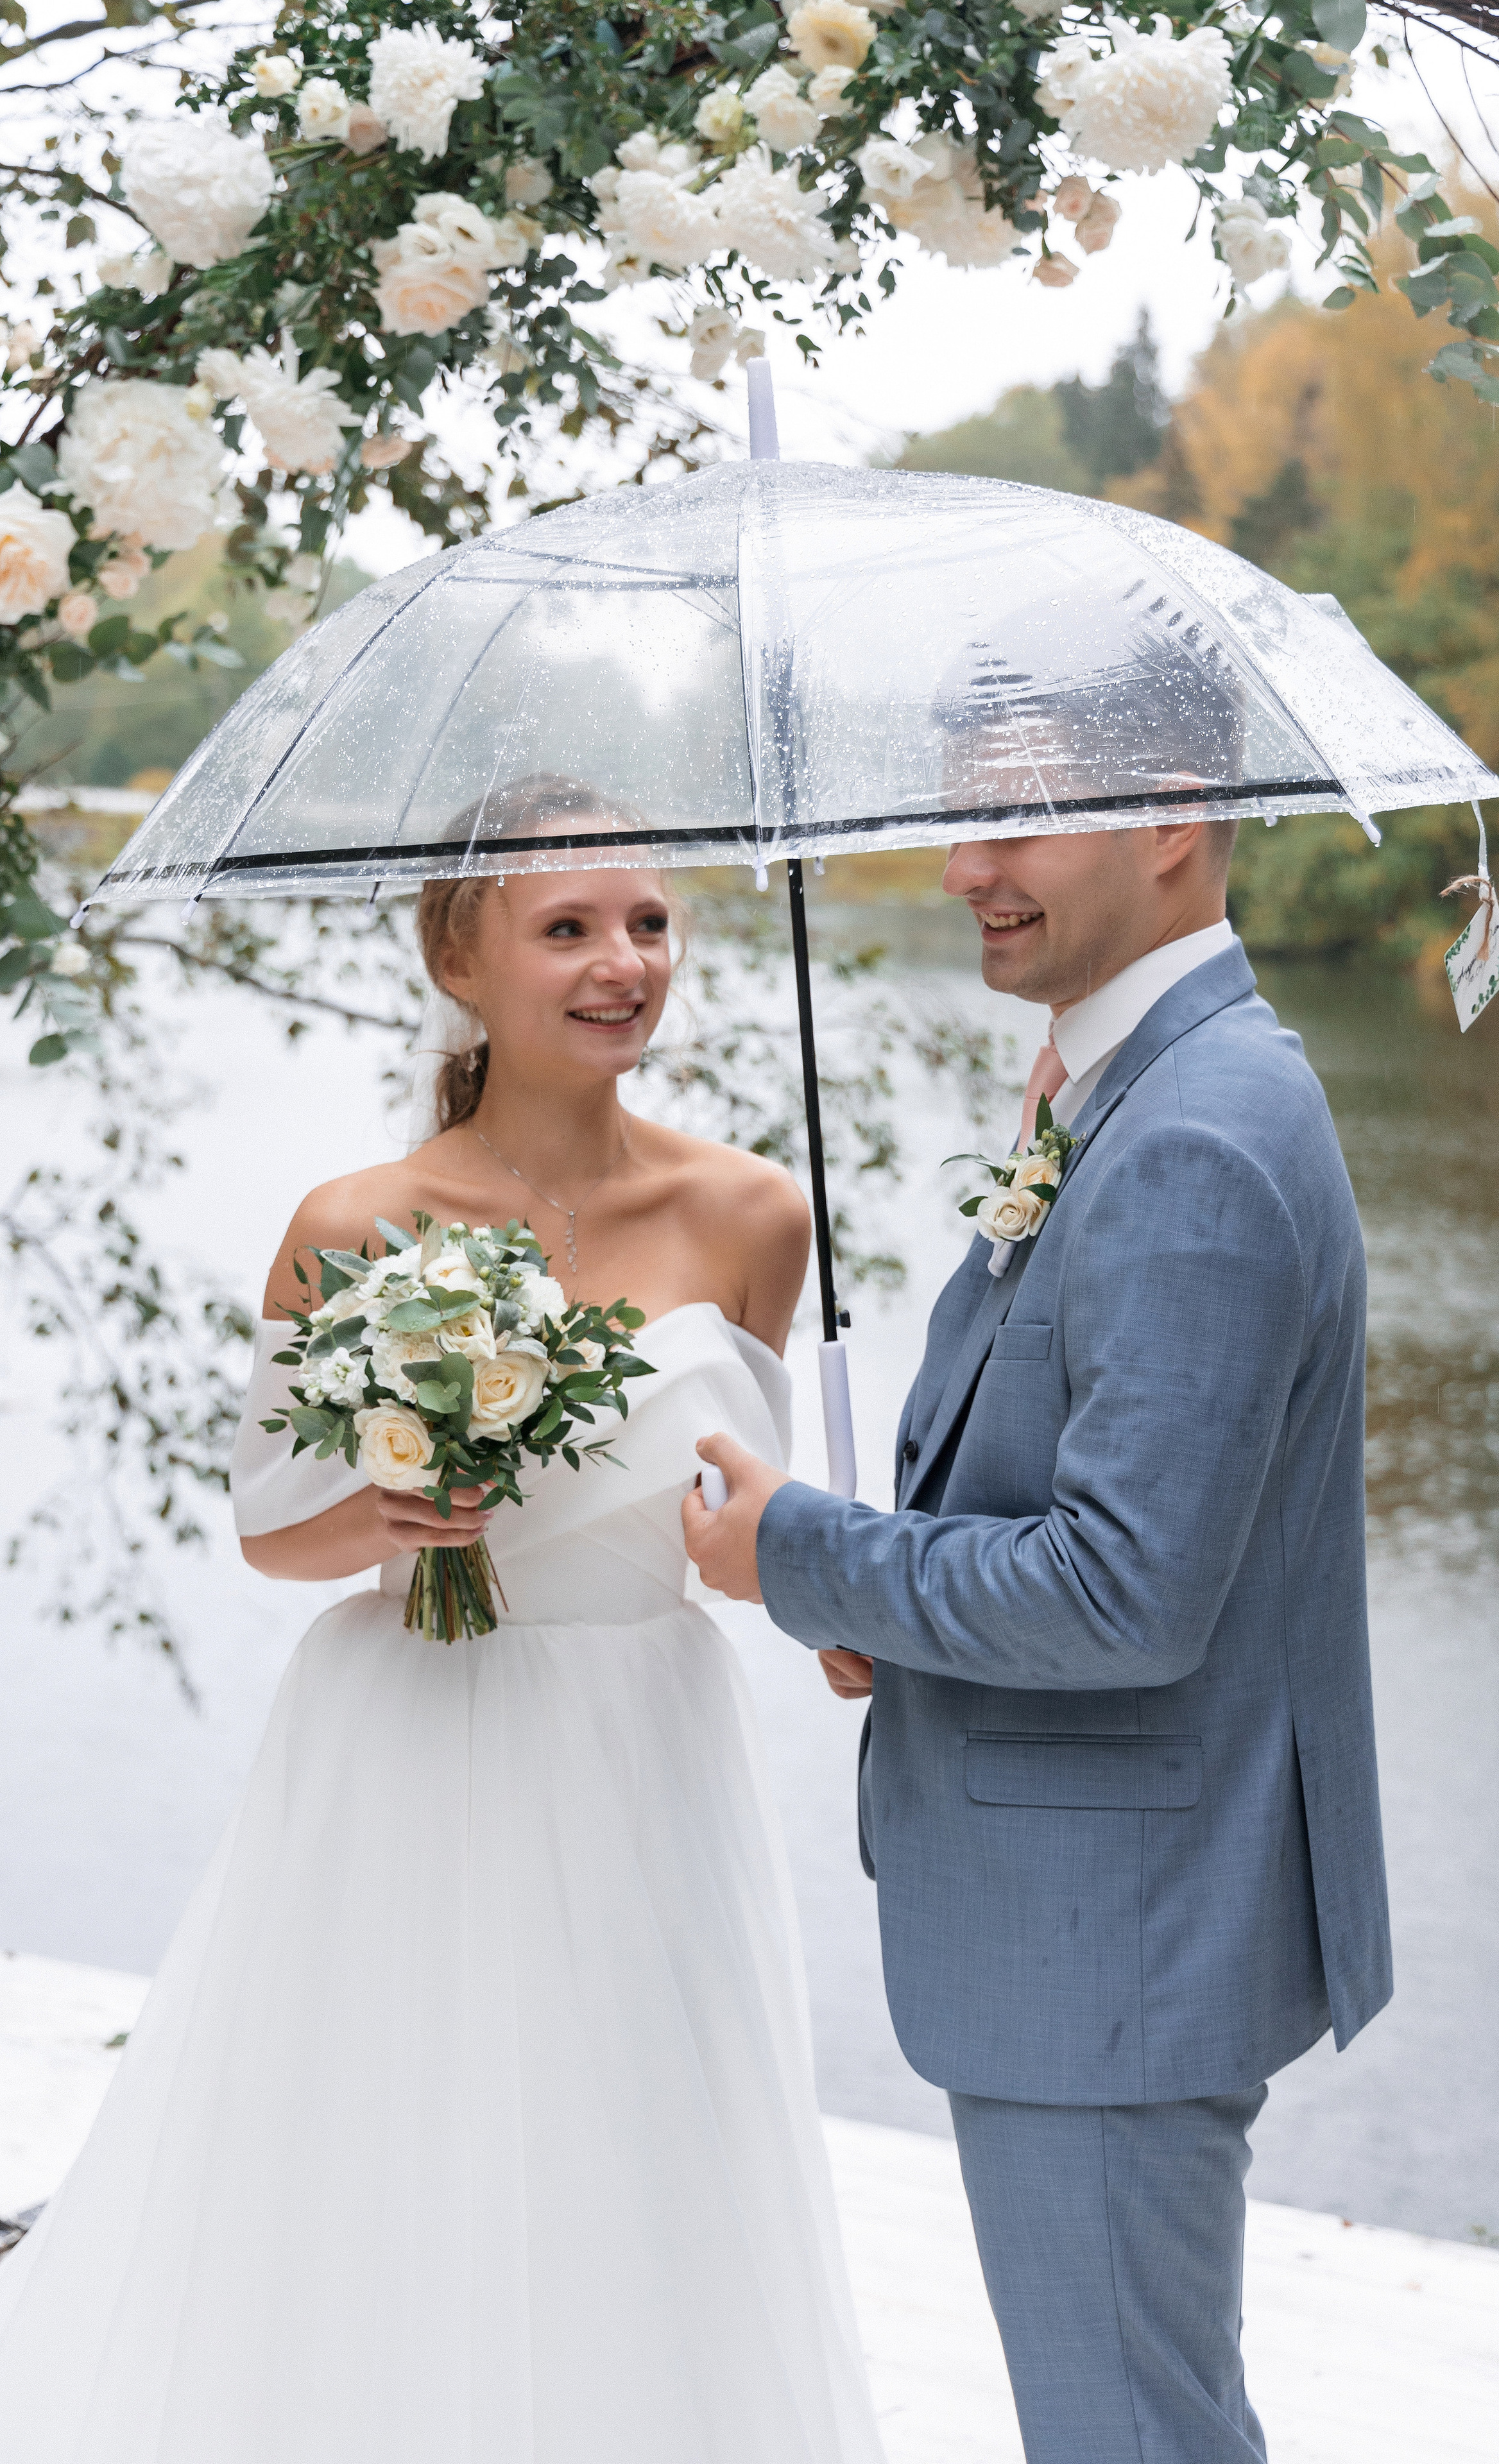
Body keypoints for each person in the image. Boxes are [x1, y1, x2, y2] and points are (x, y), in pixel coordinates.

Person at [0, 808, 887, 2464]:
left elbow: (742, 1519)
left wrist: (836, 1598)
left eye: (648, 923)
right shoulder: (352, 1221)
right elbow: (273, 1532)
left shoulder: (755, 1214)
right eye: (569, 929)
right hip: (403, 1727)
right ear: (455, 958)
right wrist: (394, 1515)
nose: (624, 964)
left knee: (637, 2140)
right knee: (381, 2134)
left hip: (644, 1741)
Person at [684, 814, 1393, 2464]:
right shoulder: (1132, 1089)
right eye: (960, 821)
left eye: (1012, 820)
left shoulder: (1192, 1136)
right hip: (1111, 1920)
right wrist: (887, 1604)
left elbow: (1121, 1591)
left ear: (1169, 822)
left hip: (1113, 1936)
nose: (960, 870)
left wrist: (799, 1550)